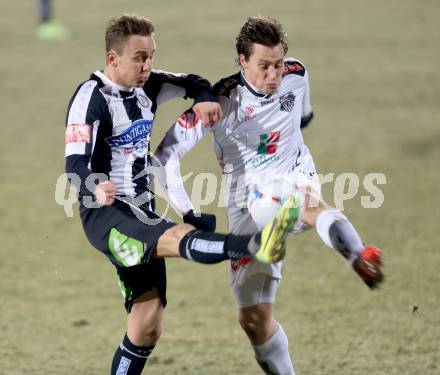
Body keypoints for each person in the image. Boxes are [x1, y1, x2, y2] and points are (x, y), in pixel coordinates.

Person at [64, 14, 299, 375]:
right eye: (139, 58)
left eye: (152, 56)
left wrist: (205, 98)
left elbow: (193, 81)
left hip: (142, 211)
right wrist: (95, 184)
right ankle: (250, 246)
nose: (148, 66)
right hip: (106, 214)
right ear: (113, 59)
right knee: (177, 238)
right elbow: (75, 165)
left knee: (147, 324)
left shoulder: (150, 84)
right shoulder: (90, 99)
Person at [154, 15, 385, 375]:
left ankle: (356, 252)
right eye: (264, 66)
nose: (274, 75)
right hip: (243, 199)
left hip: (295, 174)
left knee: (297, 202)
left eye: (278, 64)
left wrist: (356, 253)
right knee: (253, 321)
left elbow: (303, 115)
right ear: (242, 61)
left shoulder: (297, 74)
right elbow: (164, 159)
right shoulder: (221, 100)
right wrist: (188, 210)